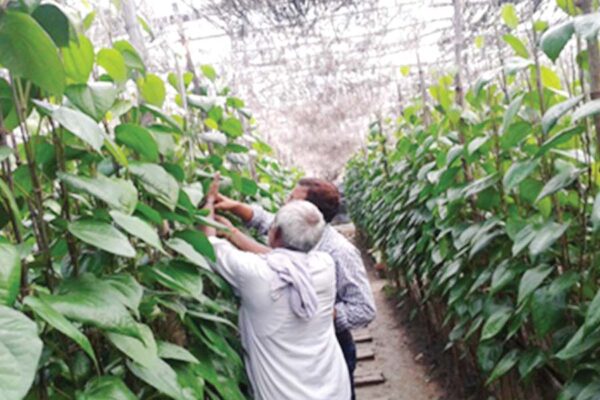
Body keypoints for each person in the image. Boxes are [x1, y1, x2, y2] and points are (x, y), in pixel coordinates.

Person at [215, 178, 376, 400]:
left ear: (311, 212)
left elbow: (364, 308)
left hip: (329, 341)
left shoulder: (338, 252)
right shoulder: (312, 248)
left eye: (292, 200)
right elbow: (279, 249)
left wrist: (320, 311)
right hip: (303, 337)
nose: (285, 202)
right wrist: (236, 208)